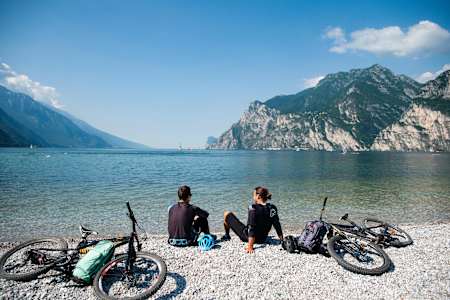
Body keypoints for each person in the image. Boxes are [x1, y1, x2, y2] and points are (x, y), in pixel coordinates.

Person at [222, 186, 283, 253]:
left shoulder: (253, 208)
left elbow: (252, 227)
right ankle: (228, 235)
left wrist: (250, 246)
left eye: (254, 195)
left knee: (226, 213)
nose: (253, 196)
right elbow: (277, 224)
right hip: (262, 239)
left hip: (247, 237)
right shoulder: (272, 208)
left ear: (258, 196)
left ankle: (227, 235)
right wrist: (281, 240)